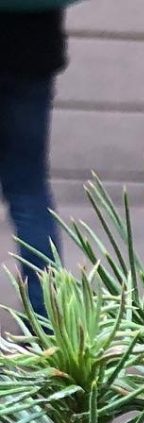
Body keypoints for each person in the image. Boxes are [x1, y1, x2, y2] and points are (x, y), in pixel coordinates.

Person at [0, 0, 75, 317]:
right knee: (29, 192)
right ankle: (49, 325)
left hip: (32, 52)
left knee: (28, 191)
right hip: (32, 52)